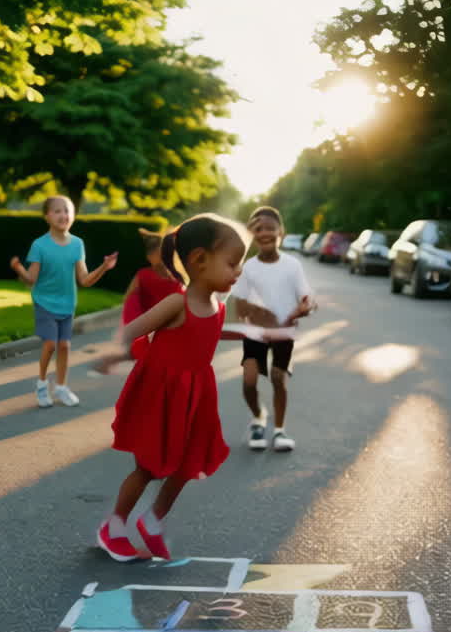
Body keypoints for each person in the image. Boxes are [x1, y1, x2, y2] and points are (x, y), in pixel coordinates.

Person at [97, 213, 249, 563]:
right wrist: (114, 354)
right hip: (161, 393)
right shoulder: (176, 303)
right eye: (232, 263)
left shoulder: (218, 306)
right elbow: (133, 329)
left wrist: (255, 334)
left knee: (188, 463)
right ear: (199, 260)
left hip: (196, 394)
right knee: (148, 467)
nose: (238, 271)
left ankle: (152, 521)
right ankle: (114, 527)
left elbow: (209, 332)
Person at [10, 195, 117, 409]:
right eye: (57, 211)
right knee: (50, 344)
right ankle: (41, 384)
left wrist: (104, 267)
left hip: (67, 304)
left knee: (65, 346)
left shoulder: (77, 244)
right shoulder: (39, 245)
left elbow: (84, 279)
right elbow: (32, 279)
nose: (63, 215)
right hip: (44, 302)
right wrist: (19, 269)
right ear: (47, 216)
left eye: (67, 211)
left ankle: (61, 387)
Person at [231, 205, 313, 452]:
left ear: (281, 232)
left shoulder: (292, 265)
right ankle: (258, 417)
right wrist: (250, 314)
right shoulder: (248, 267)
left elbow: (306, 299)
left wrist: (303, 308)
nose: (265, 233)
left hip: (284, 332)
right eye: (258, 229)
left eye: (270, 228)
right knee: (249, 380)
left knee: (278, 378)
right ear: (251, 234)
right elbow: (239, 303)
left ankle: (279, 430)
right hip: (255, 332)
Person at [122, 229, 183, 361]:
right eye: (152, 254)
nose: (157, 257)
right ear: (149, 256)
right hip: (149, 324)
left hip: (169, 325)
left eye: (160, 253)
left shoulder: (176, 277)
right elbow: (129, 298)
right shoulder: (143, 275)